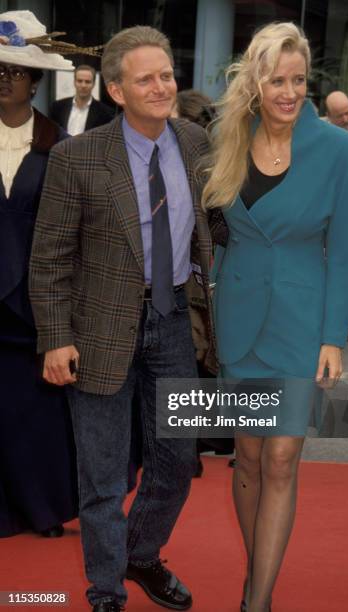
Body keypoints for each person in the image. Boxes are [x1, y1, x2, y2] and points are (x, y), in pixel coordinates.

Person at [29, 25, 215, 612]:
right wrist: (55, 339)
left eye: (166, 74)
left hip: (175, 321)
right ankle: (105, 589)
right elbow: (50, 257)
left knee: (179, 460)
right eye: (146, 79)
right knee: (104, 477)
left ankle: (140, 553)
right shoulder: (75, 157)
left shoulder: (195, 143)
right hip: (98, 330)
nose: (162, 86)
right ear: (116, 90)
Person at [203, 22, 348, 612]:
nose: (290, 91)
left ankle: (258, 601)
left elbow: (345, 250)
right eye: (277, 79)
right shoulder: (227, 135)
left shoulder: (343, 152)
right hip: (240, 317)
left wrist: (333, 336)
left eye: (299, 80)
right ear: (256, 81)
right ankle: (260, 573)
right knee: (245, 455)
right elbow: (218, 235)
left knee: (280, 456)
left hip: (302, 321)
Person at [0, 10, 80, 538]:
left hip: (36, 306)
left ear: (34, 80)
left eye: (13, 70)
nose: (3, 78)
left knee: (35, 413)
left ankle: (42, 506)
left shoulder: (61, 148)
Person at [49, 64, 114, 135]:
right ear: (74, 82)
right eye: (79, 81)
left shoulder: (105, 113)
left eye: (87, 82)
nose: (83, 85)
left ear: (94, 84)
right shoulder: (58, 107)